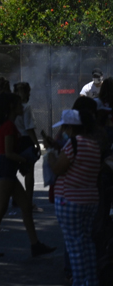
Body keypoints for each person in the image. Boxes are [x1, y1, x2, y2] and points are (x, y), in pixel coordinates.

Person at [0, 93, 54, 258]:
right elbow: (9, 153)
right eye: (19, 104)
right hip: (6, 170)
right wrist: (25, 160)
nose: (22, 107)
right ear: (11, 106)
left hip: (6, 170)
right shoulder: (10, 126)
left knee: (25, 207)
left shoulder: (6, 125)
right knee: (1, 208)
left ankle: (35, 244)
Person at [49, 107, 109, 286]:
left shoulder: (74, 143)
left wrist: (51, 158)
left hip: (70, 200)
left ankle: (80, 281)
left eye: (65, 127)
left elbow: (59, 168)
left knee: (74, 245)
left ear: (70, 127)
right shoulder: (94, 144)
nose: (63, 131)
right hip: (90, 199)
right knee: (87, 243)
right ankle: (91, 280)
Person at [12, 82, 42, 213]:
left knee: (12, 170)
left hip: (13, 140)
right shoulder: (26, 107)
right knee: (29, 172)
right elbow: (29, 128)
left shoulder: (11, 107)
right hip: (25, 140)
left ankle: (15, 196)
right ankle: (28, 201)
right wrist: (36, 144)